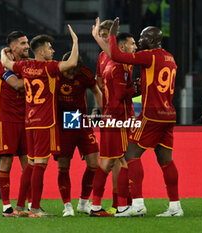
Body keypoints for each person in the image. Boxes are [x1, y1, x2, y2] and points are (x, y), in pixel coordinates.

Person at [94, 17, 184, 217]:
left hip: (152, 115)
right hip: (169, 114)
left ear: (151, 41)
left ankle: (137, 204)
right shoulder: (170, 58)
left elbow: (117, 55)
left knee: (130, 155)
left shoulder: (148, 56)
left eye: (143, 38)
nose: (140, 41)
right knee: (166, 160)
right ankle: (175, 206)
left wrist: (111, 35)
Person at [0, 25, 79, 217]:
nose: (53, 51)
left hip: (30, 121)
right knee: (40, 165)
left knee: (32, 164)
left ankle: (19, 206)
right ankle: (34, 207)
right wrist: (76, 42)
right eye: (50, 48)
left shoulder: (24, 66)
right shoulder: (49, 67)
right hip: (45, 122)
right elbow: (72, 63)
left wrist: (3, 52)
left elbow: (6, 64)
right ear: (42, 51)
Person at [89, 31, 138, 217]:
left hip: (108, 117)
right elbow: (119, 95)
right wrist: (135, 89)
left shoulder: (108, 62)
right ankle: (123, 206)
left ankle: (96, 206)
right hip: (119, 119)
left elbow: (102, 85)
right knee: (125, 160)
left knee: (107, 163)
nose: (135, 47)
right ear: (122, 46)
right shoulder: (120, 67)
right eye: (132, 44)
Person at [55, 52, 102, 216]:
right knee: (63, 167)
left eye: (74, 71)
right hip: (61, 123)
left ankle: (83, 202)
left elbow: (96, 91)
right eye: (69, 70)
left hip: (80, 120)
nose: (71, 74)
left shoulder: (84, 74)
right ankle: (67, 206)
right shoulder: (54, 73)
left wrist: (103, 110)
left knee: (94, 163)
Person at [0, 31, 29, 217]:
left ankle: (28, 205)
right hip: (6, 119)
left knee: (28, 164)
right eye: (23, 43)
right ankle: (6, 206)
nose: (27, 46)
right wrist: (36, 77)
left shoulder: (26, 65)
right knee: (6, 162)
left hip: (25, 119)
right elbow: (16, 84)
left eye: (27, 42)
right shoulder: (1, 65)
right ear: (13, 47)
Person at [92, 18, 122, 214]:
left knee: (120, 160)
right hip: (111, 115)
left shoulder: (118, 56)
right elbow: (97, 83)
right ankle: (105, 204)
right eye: (100, 35)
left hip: (122, 114)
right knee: (113, 160)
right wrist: (99, 107)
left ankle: (118, 203)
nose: (102, 38)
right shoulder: (102, 58)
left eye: (105, 35)